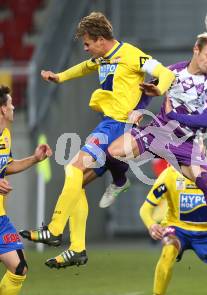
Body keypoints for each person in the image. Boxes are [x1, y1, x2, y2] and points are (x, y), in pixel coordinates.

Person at [19, 12, 175, 268]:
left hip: (118, 125)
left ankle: (55, 228)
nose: (85, 48)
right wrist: (60, 77)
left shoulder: (131, 54)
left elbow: (165, 72)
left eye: (87, 43)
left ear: (101, 40)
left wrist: (158, 88)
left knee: (72, 168)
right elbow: (83, 67)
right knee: (77, 181)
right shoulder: (101, 58)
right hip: (108, 124)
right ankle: (78, 249)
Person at [107, 32, 207, 250]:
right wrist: (138, 110)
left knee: (206, 182)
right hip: (158, 132)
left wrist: (174, 116)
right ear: (196, 50)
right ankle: (120, 180)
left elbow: (206, 120)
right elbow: (148, 90)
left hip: (187, 143)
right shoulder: (172, 72)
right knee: (114, 150)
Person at [140, 162, 207, 295]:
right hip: (176, 229)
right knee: (168, 251)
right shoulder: (169, 174)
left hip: (206, 232)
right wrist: (151, 225)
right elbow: (145, 209)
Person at [0, 85, 53, 294]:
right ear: (3, 109)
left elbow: (7, 165)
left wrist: (34, 159)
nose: (14, 107)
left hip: (0, 218)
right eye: (11, 103)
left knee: (19, 268)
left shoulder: (5, 136)